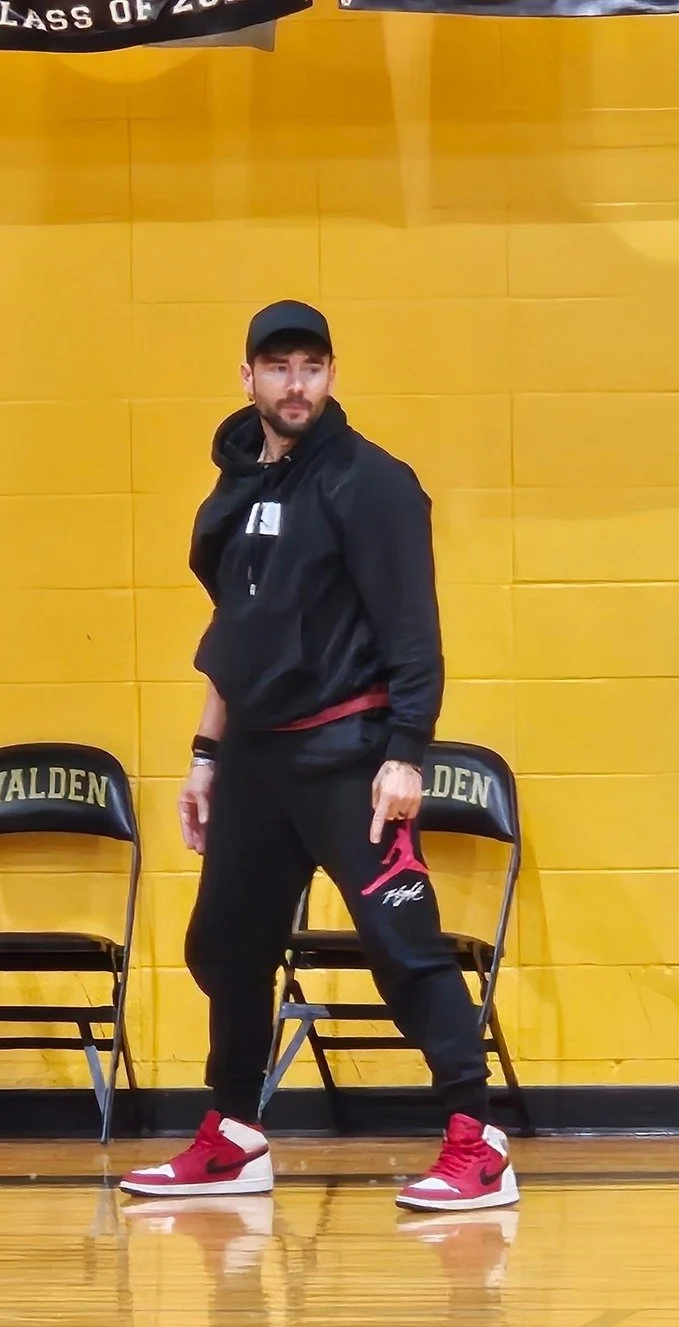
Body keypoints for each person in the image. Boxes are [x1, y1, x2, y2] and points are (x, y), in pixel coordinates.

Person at [121, 302, 517, 1214]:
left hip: (350, 754)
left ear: (330, 375)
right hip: (256, 763)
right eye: (276, 367)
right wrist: (205, 755)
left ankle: (477, 1141)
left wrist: (406, 754)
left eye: (310, 366)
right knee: (225, 945)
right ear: (247, 377)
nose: (293, 384)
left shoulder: (370, 482)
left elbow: (413, 630)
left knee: (401, 947)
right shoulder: (235, 486)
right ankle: (232, 1136)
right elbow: (233, 632)